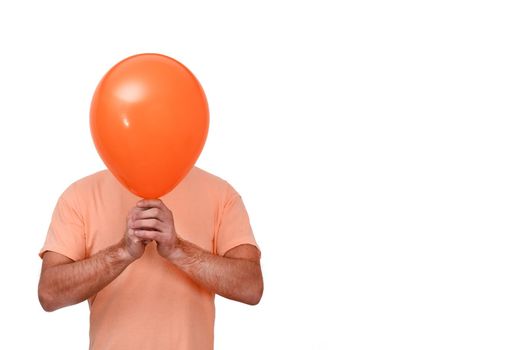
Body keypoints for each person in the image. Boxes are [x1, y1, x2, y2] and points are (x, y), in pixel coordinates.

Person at [37, 166, 263, 349]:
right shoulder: (80, 195)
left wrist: (179, 250)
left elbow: (251, 287)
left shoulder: (221, 194)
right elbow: (49, 294)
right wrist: (122, 252)